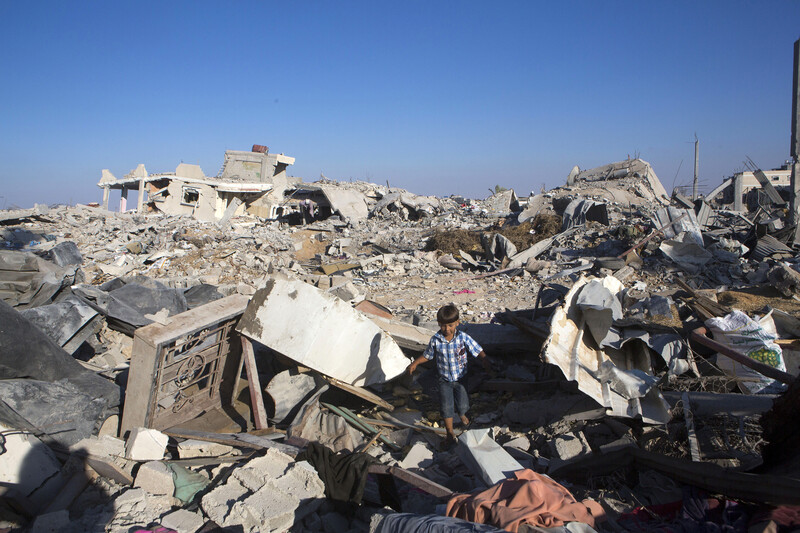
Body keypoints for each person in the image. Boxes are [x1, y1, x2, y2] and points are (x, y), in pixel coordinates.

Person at [408, 304, 490, 447]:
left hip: (461, 379)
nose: (447, 329)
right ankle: (450, 433)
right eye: (443, 325)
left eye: (450, 325)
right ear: (439, 324)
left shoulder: (462, 337)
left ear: (457, 323)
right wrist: (415, 363)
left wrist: (485, 360)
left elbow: (476, 349)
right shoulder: (436, 339)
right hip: (444, 380)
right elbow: (428, 355)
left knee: (463, 403)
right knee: (446, 407)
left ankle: (462, 413)